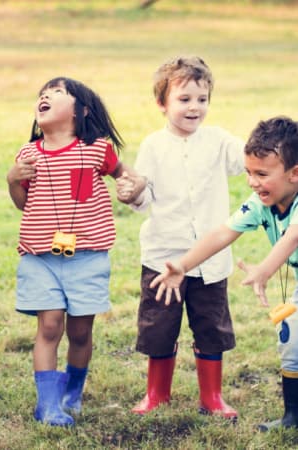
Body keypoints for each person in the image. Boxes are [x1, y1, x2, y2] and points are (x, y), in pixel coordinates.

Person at [6, 77, 145, 426]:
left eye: (56, 92)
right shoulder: (28, 154)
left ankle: (73, 392)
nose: (45, 96)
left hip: (88, 257)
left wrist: (134, 186)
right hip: (40, 258)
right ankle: (48, 405)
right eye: (42, 94)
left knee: (80, 332)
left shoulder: (97, 149)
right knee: (49, 327)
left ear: (81, 110)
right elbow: (23, 204)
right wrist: (12, 180)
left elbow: (126, 176)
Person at [150, 116, 298, 431]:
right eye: (248, 173)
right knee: (292, 344)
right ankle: (292, 418)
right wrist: (184, 264)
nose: (252, 182)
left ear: (294, 174)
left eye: (262, 174)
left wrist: (264, 269)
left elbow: (293, 236)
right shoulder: (260, 203)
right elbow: (222, 233)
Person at [118, 56, 244, 419]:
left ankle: (212, 396)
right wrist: (134, 192)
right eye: (184, 99)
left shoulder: (219, 141)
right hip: (163, 257)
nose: (195, 107)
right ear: (163, 104)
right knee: (159, 327)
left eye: (202, 99)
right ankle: (157, 394)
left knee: (211, 327)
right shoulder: (154, 146)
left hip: (210, 260)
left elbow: (247, 158)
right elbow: (143, 198)